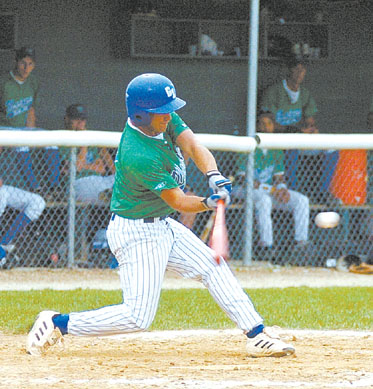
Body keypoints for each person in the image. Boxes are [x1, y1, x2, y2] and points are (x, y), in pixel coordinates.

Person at [27, 73, 295, 358]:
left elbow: (192, 145)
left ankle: (255, 333)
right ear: (141, 115)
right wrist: (209, 201)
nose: (169, 117)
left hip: (162, 224)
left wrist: (214, 175)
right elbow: (178, 201)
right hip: (137, 233)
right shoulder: (138, 153)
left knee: (211, 267)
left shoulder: (162, 121)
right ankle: (57, 323)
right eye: (161, 113)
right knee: (137, 317)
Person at [260, 56, 338, 205]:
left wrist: (311, 130)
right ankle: (292, 190)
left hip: (298, 137)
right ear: (289, 70)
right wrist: (295, 131)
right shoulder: (274, 91)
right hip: (278, 141)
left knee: (331, 148)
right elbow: (268, 123)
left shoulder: (305, 94)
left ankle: (323, 192)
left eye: (302, 69)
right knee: (292, 147)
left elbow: (310, 121)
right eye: (296, 68)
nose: (300, 73)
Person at [232, 112, 310, 261]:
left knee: (302, 200)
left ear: (274, 126)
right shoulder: (248, 144)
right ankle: (266, 246)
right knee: (264, 199)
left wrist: (281, 188)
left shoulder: (275, 146)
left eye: (269, 123)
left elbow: (279, 176)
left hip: (268, 192)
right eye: (262, 123)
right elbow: (243, 179)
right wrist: (272, 190)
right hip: (243, 190)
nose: (265, 127)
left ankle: (301, 243)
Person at [0, 47, 60, 195]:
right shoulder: (4, 82)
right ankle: (34, 187)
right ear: (16, 62)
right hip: (5, 128)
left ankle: (54, 187)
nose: (26, 68)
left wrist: (31, 134)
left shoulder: (33, 82)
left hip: (22, 129)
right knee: (22, 146)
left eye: (30, 64)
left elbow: (31, 110)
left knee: (51, 140)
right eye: (23, 63)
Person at [61, 104, 116, 205]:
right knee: (97, 191)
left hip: (101, 181)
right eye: (76, 119)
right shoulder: (62, 140)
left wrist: (84, 166)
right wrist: (84, 142)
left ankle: (112, 195)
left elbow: (101, 169)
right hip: (78, 183)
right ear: (67, 119)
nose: (80, 123)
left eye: (82, 119)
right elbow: (77, 168)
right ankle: (112, 196)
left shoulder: (92, 140)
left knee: (119, 179)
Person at [0, 176, 45, 268]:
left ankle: (5, 244)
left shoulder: (3, 191)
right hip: (26, 206)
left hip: (35, 204)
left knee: (38, 204)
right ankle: (5, 248)